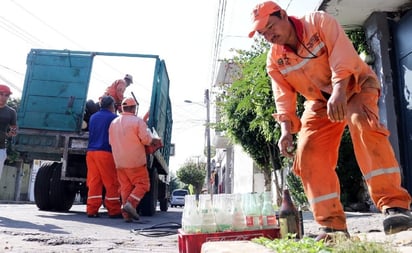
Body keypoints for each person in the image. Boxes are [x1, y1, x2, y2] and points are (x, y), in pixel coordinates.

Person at [248, 1, 412, 239]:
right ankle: (332, 226)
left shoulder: (318, 22)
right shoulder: (275, 60)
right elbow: (282, 96)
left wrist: (339, 91)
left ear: (283, 15)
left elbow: (342, 55)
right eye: (263, 33)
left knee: (361, 122)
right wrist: (286, 129)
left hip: (355, 85)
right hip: (319, 102)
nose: (269, 35)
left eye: (271, 27)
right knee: (307, 154)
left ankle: (395, 206)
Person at [108, 97, 154, 222]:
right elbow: (146, 140)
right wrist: (152, 138)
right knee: (143, 184)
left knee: (125, 187)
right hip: (135, 161)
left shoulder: (114, 123)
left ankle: (126, 215)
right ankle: (131, 204)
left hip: (119, 162)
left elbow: (110, 142)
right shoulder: (138, 122)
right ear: (134, 108)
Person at [86, 95, 122, 218]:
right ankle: (114, 210)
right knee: (111, 182)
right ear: (112, 106)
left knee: (94, 182)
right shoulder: (114, 118)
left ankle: (92, 210)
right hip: (106, 152)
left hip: (91, 153)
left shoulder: (93, 117)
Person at [0, 84, 17, 180]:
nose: (3, 97)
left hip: (0, 149)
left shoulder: (11, 112)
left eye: (6, 95)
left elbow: (14, 129)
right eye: (1, 94)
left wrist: (9, 134)